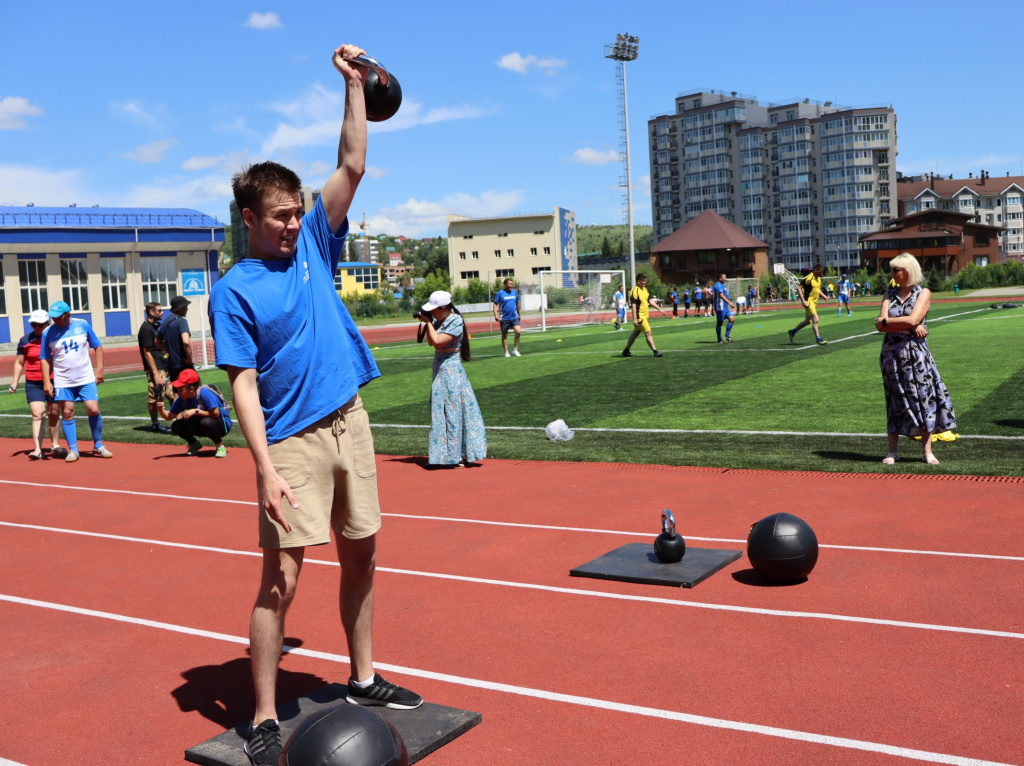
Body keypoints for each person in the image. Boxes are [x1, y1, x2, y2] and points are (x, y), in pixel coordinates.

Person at [208, 44, 422, 766]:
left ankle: (363, 678)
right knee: (281, 578)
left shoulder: (314, 247)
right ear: (248, 218)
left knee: (363, 554)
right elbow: (241, 384)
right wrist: (263, 470)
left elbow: (353, 162)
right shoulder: (233, 290)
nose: (293, 226)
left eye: (298, 213)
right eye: (279, 218)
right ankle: (264, 716)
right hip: (292, 442)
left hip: (349, 421)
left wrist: (354, 84)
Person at [874, 253, 956, 465]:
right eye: (891, 270)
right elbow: (879, 325)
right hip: (891, 355)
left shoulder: (923, 293)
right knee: (894, 401)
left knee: (922, 399)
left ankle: (927, 451)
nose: (891, 274)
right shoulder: (888, 294)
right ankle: (893, 451)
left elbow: (911, 318)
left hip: (915, 355)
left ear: (908, 271)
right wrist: (909, 325)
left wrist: (893, 321)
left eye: (895, 270)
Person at [417, 290, 486, 466]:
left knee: (453, 411)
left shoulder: (455, 320)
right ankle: (446, 455)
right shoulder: (440, 321)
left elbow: (439, 342)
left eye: (434, 310)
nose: (432, 313)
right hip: (441, 370)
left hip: (451, 371)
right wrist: (429, 323)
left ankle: (455, 456)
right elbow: (432, 342)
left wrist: (429, 324)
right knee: (442, 411)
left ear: (443, 308)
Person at [39, 301, 112, 462]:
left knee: (93, 409)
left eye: (58, 317)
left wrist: (99, 370)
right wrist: (46, 381)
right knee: (67, 413)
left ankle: (98, 445)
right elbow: (44, 358)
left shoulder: (83, 324)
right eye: (53, 317)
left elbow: (97, 347)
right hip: (63, 380)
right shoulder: (47, 332)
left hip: (85, 377)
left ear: (68, 314)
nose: (55, 320)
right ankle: (73, 449)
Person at [9, 309, 63, 459]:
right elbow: (20, 363)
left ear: (47, 323)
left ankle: (55, 444)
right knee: (38, 414)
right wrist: (14, 382)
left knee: (53, 413)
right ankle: (38, 449)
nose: (37, 327)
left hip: (54, 380)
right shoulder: (25, 340)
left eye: (40, 324)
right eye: (34, 324)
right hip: (33, 382)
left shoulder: (55, 338)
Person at [155, 368, 232, 457]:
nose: (178, 393)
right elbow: (169, 416)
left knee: (206, 422)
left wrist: (195, 411)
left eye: (181, 389)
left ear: (191, 388)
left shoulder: (204, 393)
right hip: (202, 425)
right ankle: (194, 444)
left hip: (222, 425)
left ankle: (220, 446)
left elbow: (216, 414)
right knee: (176, 426)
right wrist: (161, 409)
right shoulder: (182, 399)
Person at [138, 302, 173, 434]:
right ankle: (155, 424)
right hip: (156, 368)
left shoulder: (157, 326)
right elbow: (147, 352)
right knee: (156, 396)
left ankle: (178, 421)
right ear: (152, 312)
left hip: (164, 365)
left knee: (172, 393)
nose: (162, 312)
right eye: (159, 310)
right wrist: (155, 374)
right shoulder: (146, 328)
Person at [622, 273, 666, 357]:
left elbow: (650, 301)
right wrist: (634, 318)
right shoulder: (635, 290)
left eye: (645, 280)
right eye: (643, 281)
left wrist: (660, 309)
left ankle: (626, 350)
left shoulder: (645, 289)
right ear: (638, 281)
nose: (645, 282)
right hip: (640, 316)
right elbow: (634, 306)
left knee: (635, 333)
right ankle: (655, 351)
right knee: (648, 332)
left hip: (645, 315)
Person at [788, 263, 830, 345]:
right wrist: (803, 300)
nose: (821, 274)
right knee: (816, 319)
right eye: (819, 272)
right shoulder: (808, 278)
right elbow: (799, 288)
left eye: (822, 272)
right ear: (815, 270)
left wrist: (824, 295)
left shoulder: (818, 278)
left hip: (814, 302)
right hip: (808, 301)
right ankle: (818, 339)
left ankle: (793, 331)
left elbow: (817, 289)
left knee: (808, 321)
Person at [159, 295, 195, 382]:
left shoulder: (165, 322)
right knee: (193, 391)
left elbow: (157, 341)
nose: (187, 309)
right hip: (183, 365)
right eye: (185, 306)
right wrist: (189, 360)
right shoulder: (182, 321)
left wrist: (168, 351)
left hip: (172, 365)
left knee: (177, 392)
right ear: (181, 308)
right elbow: (186, 342)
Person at [493, 278, 521, 357]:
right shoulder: (500, 293)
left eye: (512, 284)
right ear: (505, 285)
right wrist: (496, 315)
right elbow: (495, 304)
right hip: (504, 318)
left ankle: (515, 350)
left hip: (514, 316)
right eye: (510, 284)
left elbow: (517, 304)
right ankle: (506, 352)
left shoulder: (514, 293)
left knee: (518, 332)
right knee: (505, 335)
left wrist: (519, 314)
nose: (512, 286)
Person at [712, 273, 737, 343]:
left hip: (725, 307)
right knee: (720, 323)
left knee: (732, 319)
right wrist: (729, 302)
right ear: (720, 278)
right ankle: (719, 339)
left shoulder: (722, 285)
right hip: (720, 307)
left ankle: (727, 335)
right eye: (724, 277)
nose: (725, 279)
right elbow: (721, 295)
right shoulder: (718, 285)